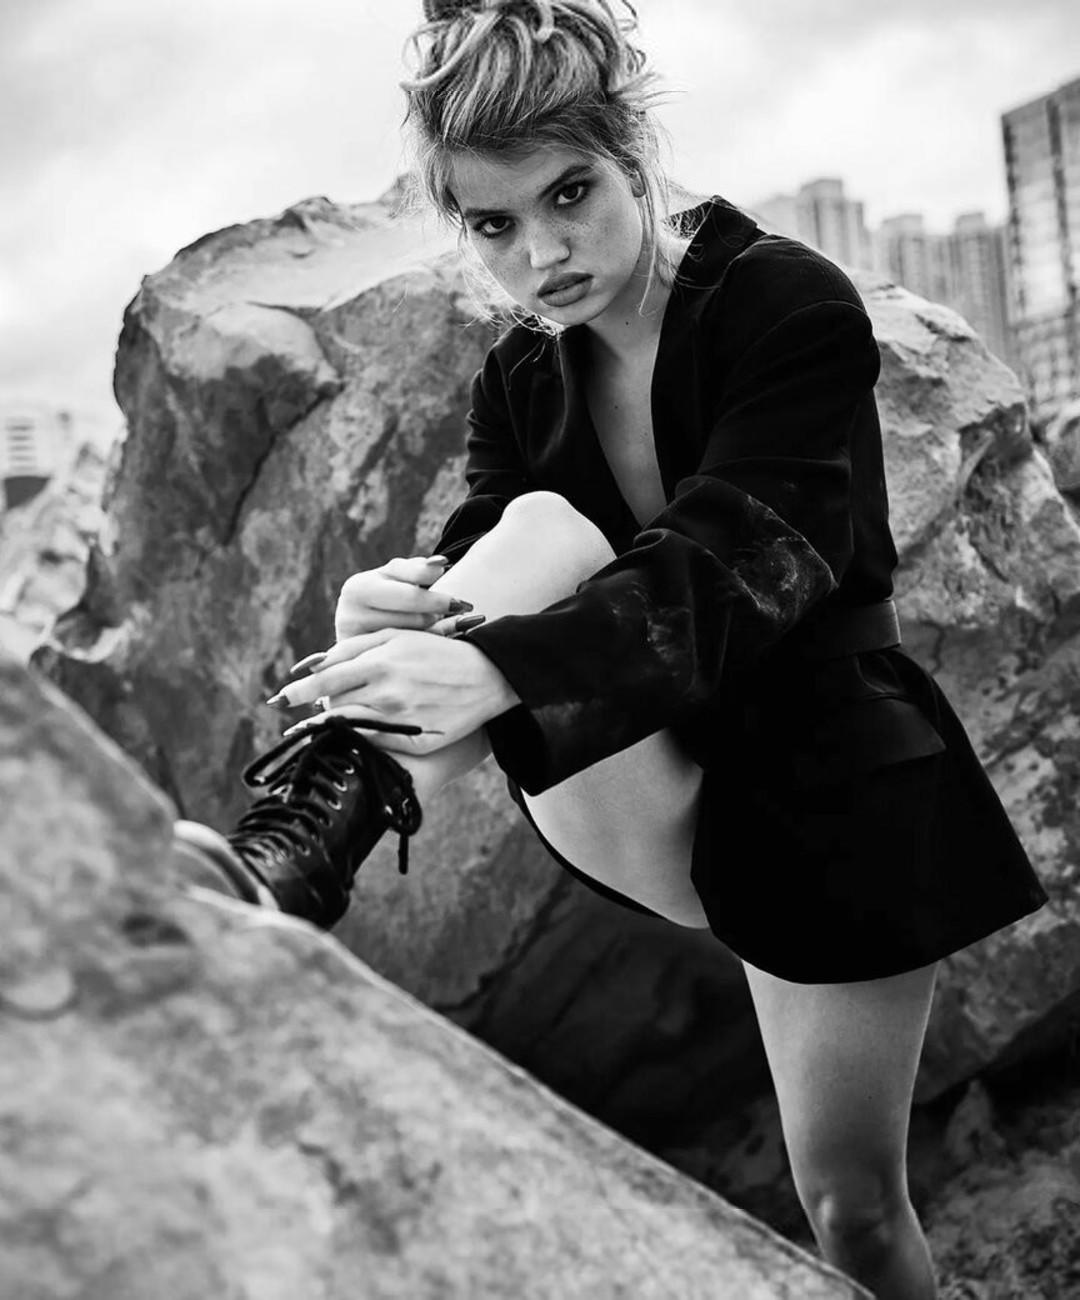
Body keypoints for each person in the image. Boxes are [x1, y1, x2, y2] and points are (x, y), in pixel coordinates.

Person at [173, 2, 1048, 1295]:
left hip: (830, 785)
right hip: (647, 779)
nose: (542, 253)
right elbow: (495, 563)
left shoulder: (782, 302)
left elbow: (754, 552)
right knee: (527, 531)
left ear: (631, 156)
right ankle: (287, 859)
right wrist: (403, 609)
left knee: (852, 1207)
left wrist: (497, 669)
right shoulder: (522, 380)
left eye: (570, 194)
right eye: (493, 225)